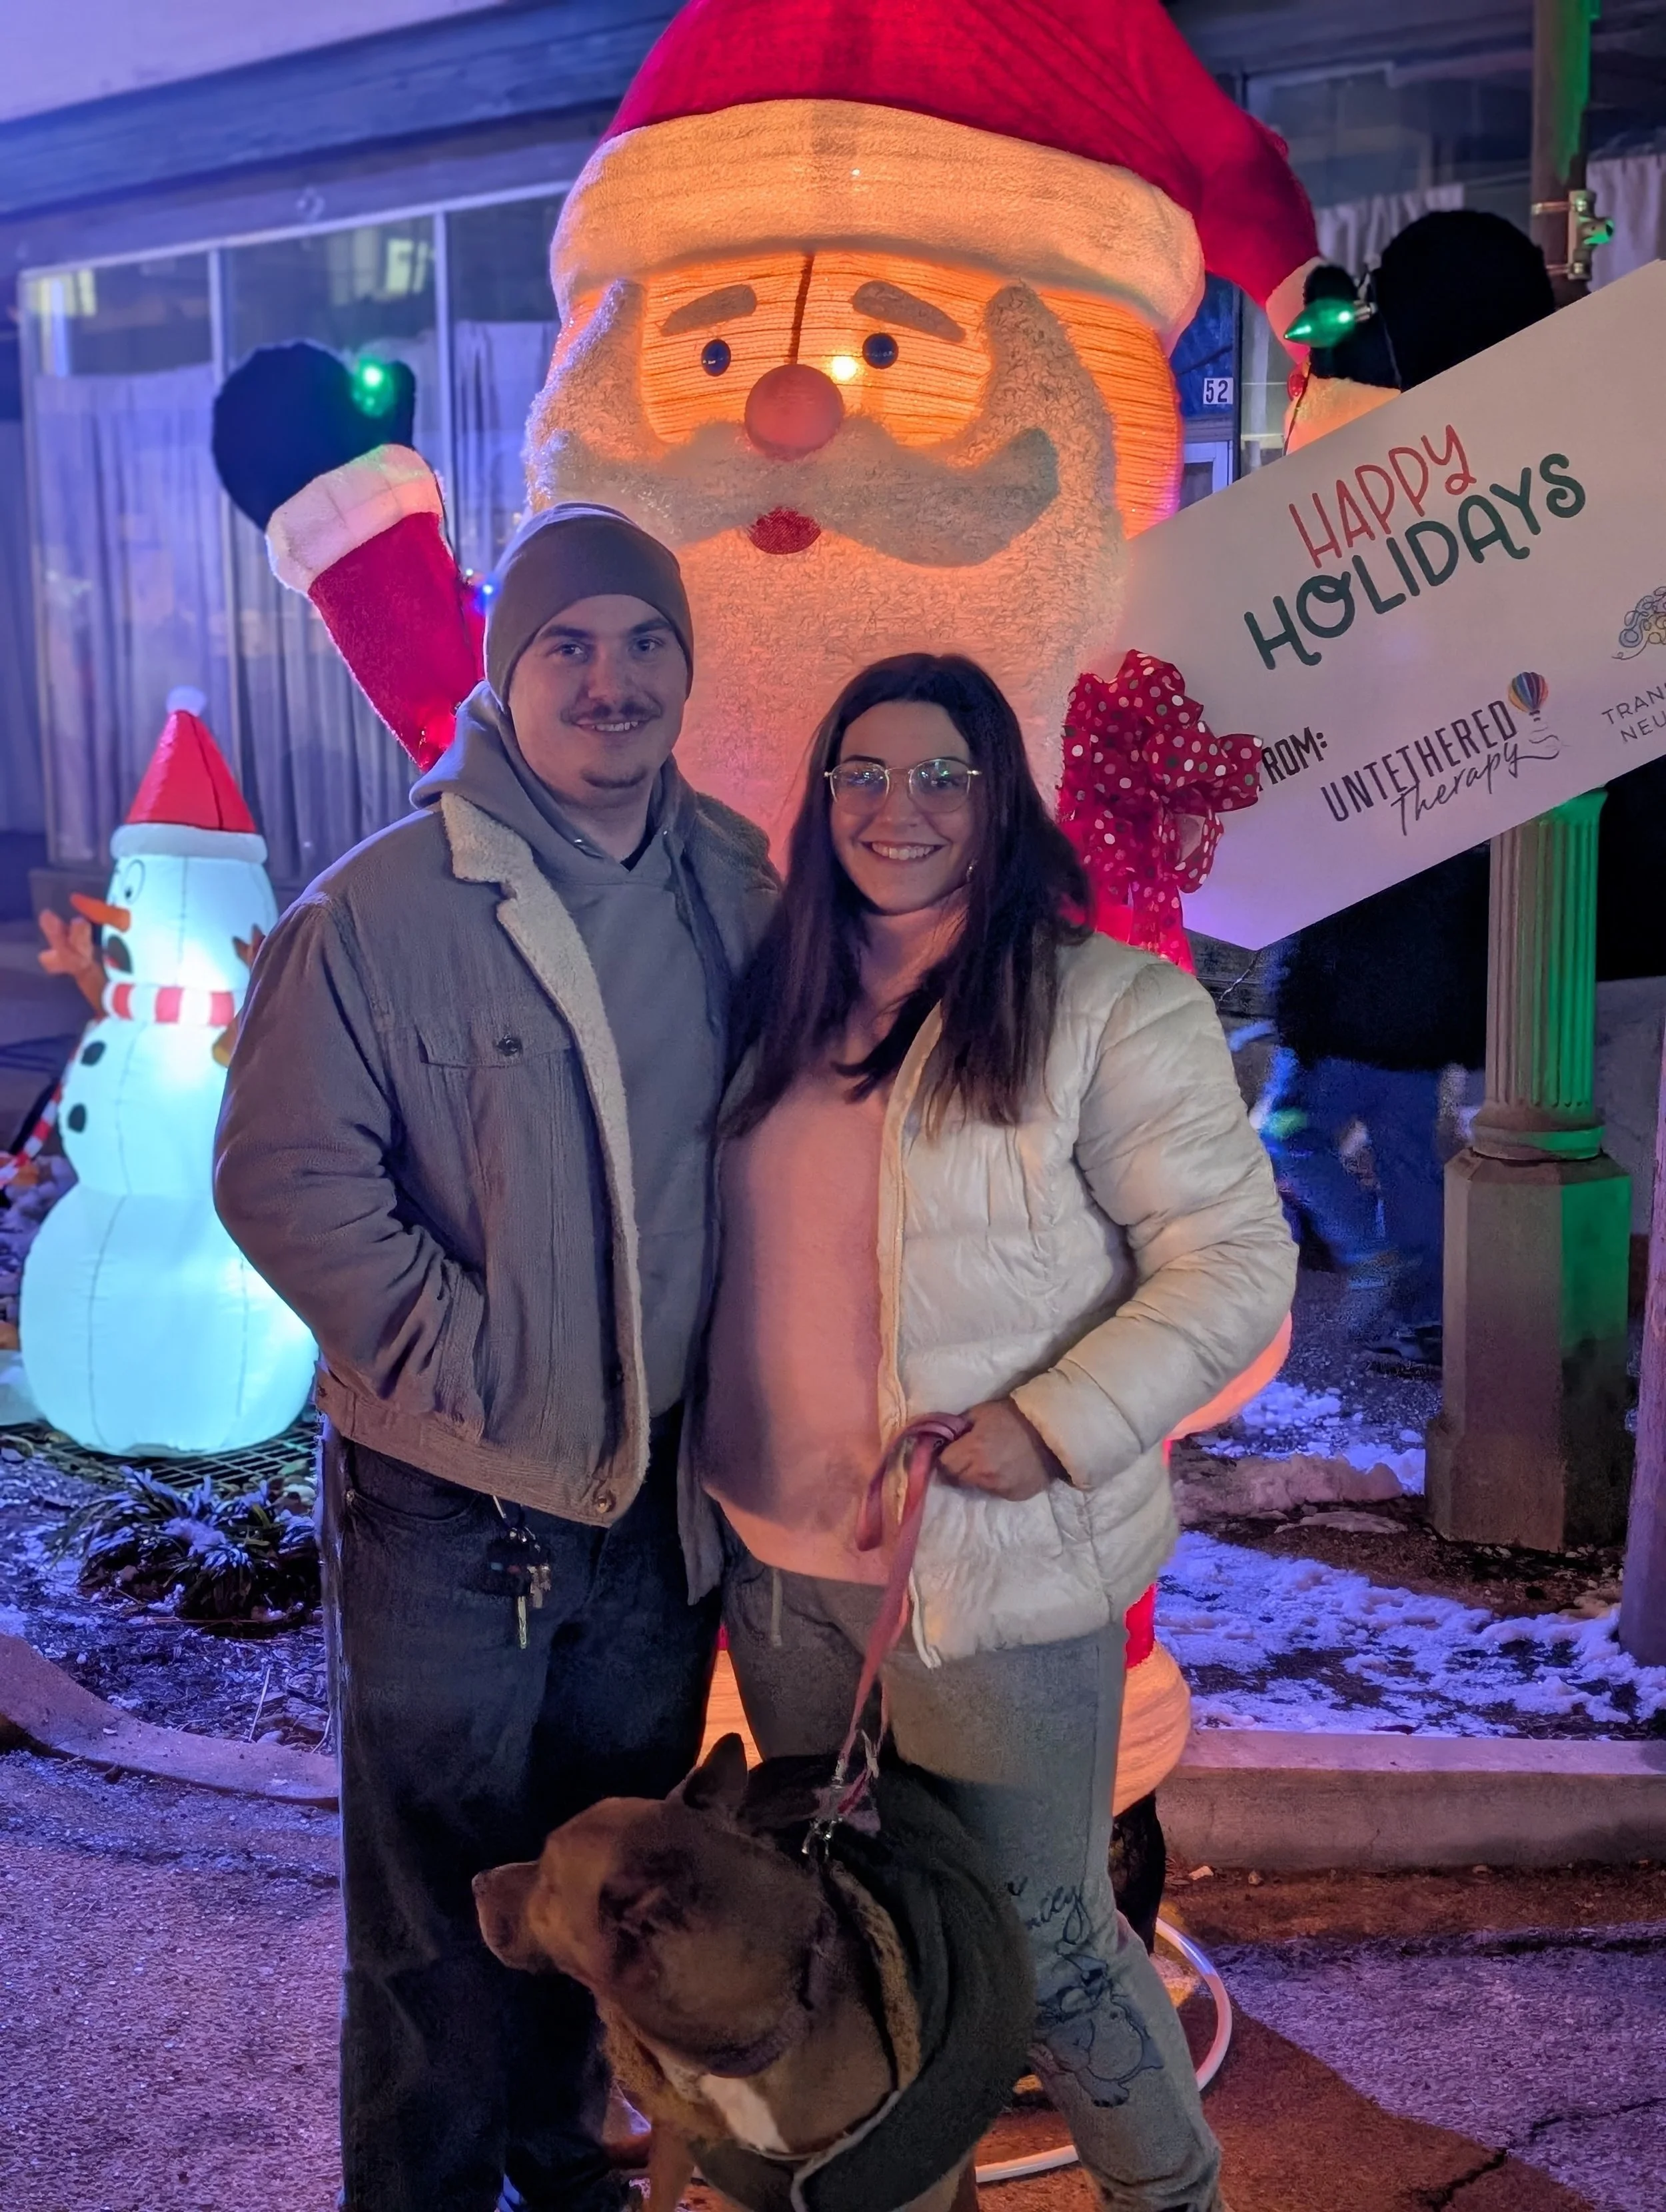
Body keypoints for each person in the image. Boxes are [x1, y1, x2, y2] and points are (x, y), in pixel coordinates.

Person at [213, 504, 776, 2212]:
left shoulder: (739, 882)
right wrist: (471, 1364)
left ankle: (568, 2170)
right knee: (441, 1922)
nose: (610, 681)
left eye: (643, 644)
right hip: (461, 1507)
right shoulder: (382, 909)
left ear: (684, 666)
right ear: (504, 673)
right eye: (567, 647)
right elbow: (286, 1178)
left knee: (614, 1905)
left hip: (664, 1503)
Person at [687, 652, 1295, 2212]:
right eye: (865, 774)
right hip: (780, 1562)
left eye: (940, 775)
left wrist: (1055, 1419)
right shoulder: (780, 995)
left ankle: (1175, 2199)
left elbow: (1236, 1265)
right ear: (821, 798)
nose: (900, 810)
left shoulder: (1101, 1004)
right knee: (867, 1933)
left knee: (1041, 1935)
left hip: (995, 1575)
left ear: (996, 799)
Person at [1260, 849, 1489, 1371]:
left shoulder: (1349, 842)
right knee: (1411, 1170)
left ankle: (1370, 1251)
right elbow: (1473, 949)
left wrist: (1294, 1022)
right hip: (1417, 1046)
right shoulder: (1461, 847)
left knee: (1289, 1133)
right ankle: (1425, 1324)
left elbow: (1308, 935)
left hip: (1338, 1038)